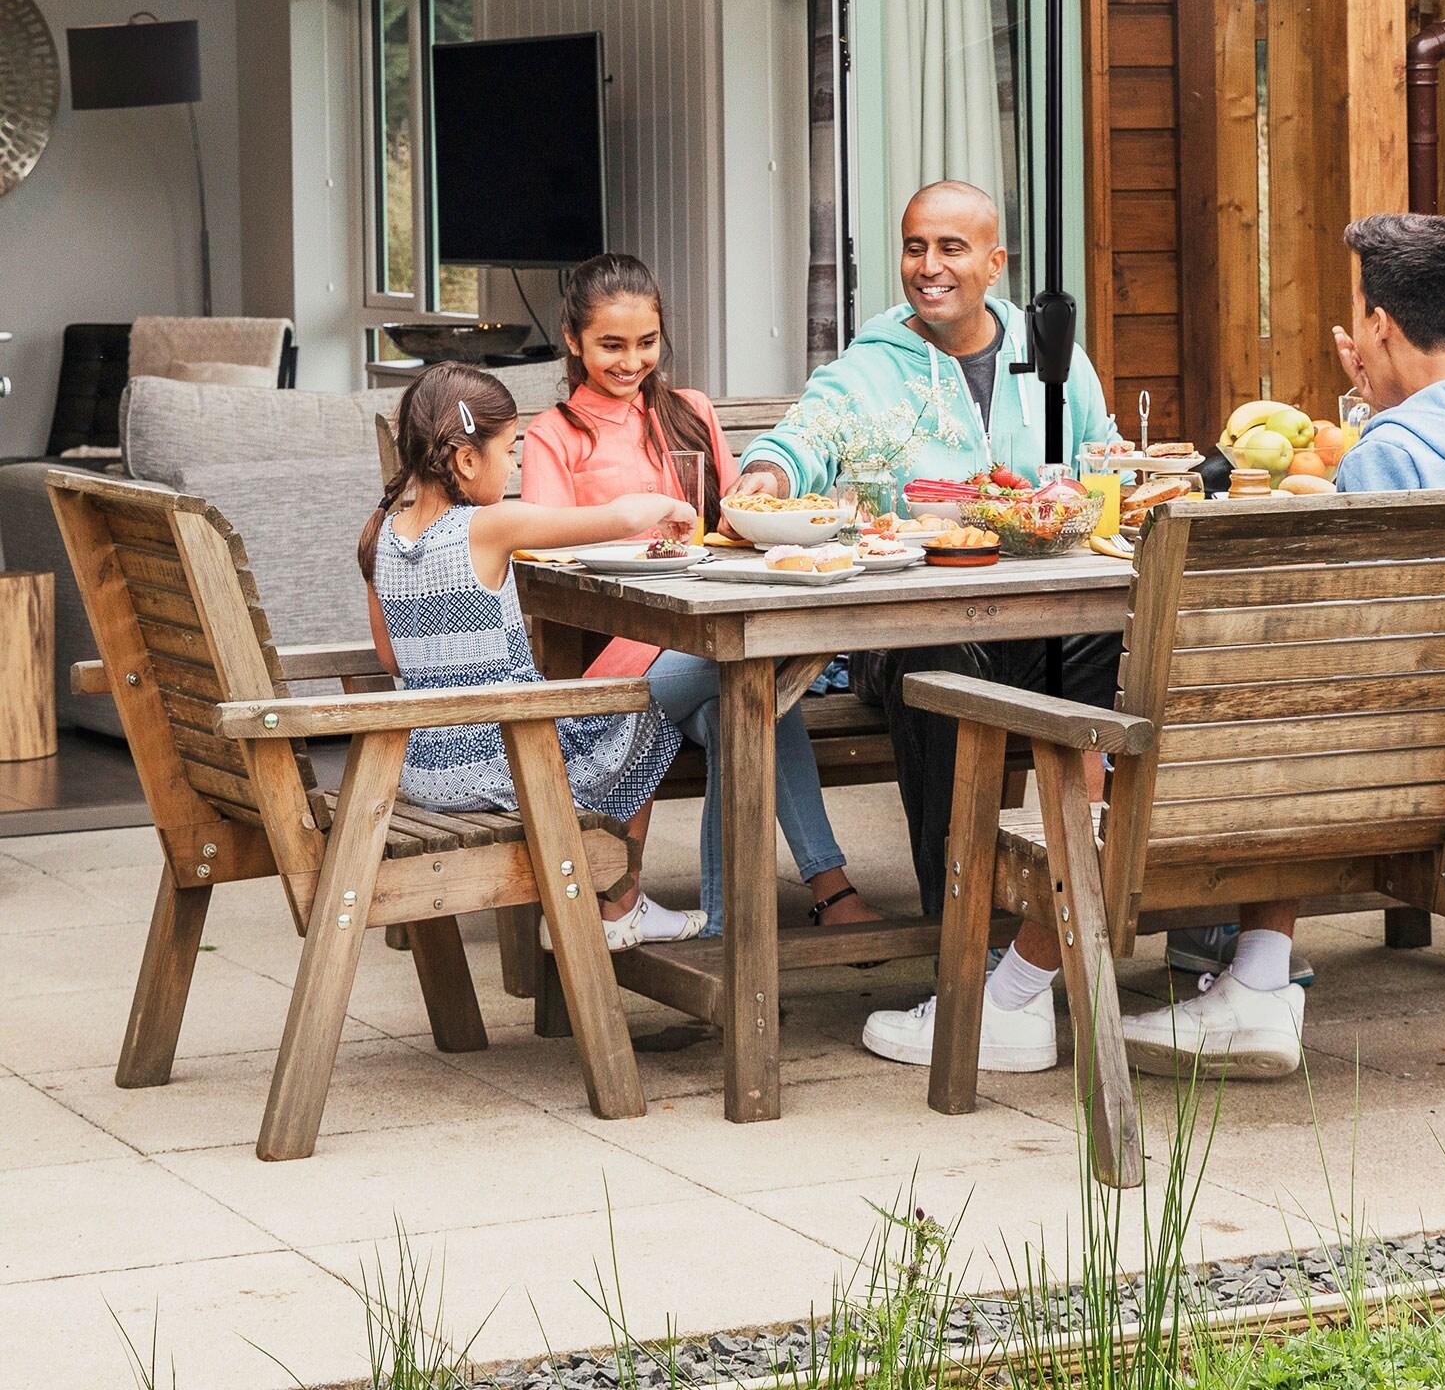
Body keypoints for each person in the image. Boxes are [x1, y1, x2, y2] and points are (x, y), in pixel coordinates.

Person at [1120, 212, 1445, 1077]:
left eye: (1360, 314)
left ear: (1377, 323)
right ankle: (1251, 972)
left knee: (1206, 700)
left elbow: (1346, 656)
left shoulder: (1392, 455)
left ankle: (1159, 977)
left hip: (1386, 772)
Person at [730, 180, 1118, 1075]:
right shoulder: (875, 362)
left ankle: (1121, 901)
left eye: (950, 248)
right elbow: (806, 433)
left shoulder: (1050, 351)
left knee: (1116, 638)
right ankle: (969, 946)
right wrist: (768, 474)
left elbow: (1095, 459)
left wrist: (1081, 489)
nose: (929, 267)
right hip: (908, 624)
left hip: (1041, 622)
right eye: (915, 247)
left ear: (994, 262)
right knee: (942, 667)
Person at [521, 252, 879, 940]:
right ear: (573, 339)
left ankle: (728, 923)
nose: (632, 362)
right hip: (627, 666)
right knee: (758, 676)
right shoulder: (555, 434)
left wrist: (771, 502)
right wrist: (632, 516)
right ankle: (829, 893)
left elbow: (733, 520)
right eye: (611, 346)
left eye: (646, 343)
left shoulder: (690, 413)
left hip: (708, 644)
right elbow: (540, 543)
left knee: (747, 703)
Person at [358, 362, 703, 950]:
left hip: (423, 771)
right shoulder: (488, 525)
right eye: (509, 450)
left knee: (653, 694)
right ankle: (620, 902)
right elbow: (611, 519)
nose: (515, 464)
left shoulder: (381, 535)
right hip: (507, 761)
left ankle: (617, 900)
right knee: (673, 693)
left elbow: (392, 659)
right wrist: (676, 506)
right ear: (467, 460)